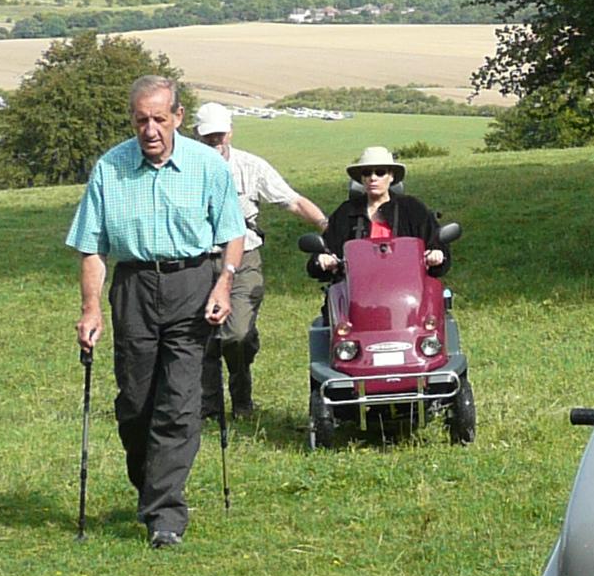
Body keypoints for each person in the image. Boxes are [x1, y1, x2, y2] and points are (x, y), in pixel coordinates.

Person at [67, 76, 245, 547]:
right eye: (141, 120)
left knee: (181, 402)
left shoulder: (208, 166)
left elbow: (232, 233)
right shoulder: (111, 168)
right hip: (134, 287)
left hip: (193, 283)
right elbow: (91, 247)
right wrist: (90, 310)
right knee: (135, 403)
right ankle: (151, 487)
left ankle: (166, 514)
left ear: (178, 118)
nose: (150, 130)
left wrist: (224, 284)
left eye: (159, 120)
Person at [192, 102, 327, 419]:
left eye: (219, 134)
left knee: (237, 334)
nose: (215, 142)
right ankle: (209, 407)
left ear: (230, 132)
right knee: (202, 337)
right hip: (197, 261)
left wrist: (327, 227)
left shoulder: (251, 167)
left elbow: (291, 200)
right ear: (196, 136)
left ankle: (241, 397)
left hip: (243, 259)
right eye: (208, 136)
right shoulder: (184, 169)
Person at [309, 147, 449, 280]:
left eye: (380, 172)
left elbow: (436, 244)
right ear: (362, 179)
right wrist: (323, 259)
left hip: (406, 288)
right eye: (367, 173)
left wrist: (436, 254)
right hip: (357, 290)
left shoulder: (412, 209)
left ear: (391, 176)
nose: (373, 178)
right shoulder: (346, 211)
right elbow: (325, 250)